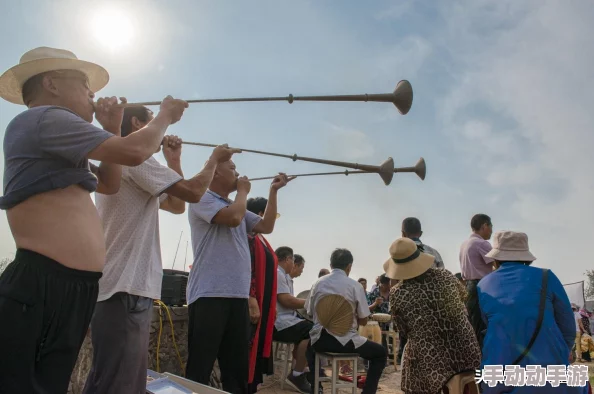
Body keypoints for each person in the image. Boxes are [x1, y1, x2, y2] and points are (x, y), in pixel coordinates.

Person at [0, 47, 187, 393]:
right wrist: (163, 117)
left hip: (70, 286)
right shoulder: (44, 119)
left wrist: (113, 127)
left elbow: (109, 184)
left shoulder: (60, 137)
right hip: (43, 281)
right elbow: (133, 152)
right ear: (51, 83)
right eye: (85, 84)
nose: (93, 93)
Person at [82, 105, 239, 394]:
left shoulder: (130, 163)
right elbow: (193, 192)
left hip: (121, 287)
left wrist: (174, 160)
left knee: (109, 378)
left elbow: (178, 205)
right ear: (137, 123)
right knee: (119, 382)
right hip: (125, 288)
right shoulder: (135, 158)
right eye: (153, 123)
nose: (161, 131)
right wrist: (213, 161)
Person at [185, 157, 291, 394]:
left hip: (237, 297)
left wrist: (273, 192)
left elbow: (266, 226)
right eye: (232, 168)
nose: (237, 173)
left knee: (236, 372)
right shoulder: (202, 198)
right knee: (199, 370)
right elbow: (233, 218)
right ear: (215, 174)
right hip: (209, 295)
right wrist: (243, 192)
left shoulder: (236, 205)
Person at [477, 231, 586, 393]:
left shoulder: (483, 285)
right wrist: (558, 354)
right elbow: (568, 328)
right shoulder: (546, 277)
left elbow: (491, 325)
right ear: (526, 257)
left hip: (500, 379)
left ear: (495, 259)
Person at [386, 237, 481, 394]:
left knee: (412, 353)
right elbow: (464, 297)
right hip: (466, 350)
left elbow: (402, 330)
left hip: (431, 361)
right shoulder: (446, 275)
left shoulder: (398, 293)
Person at [306, 248, 387, 394]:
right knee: (380, 353)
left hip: (320, 340)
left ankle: (316, 388)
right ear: (349, 266)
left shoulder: (317, 284)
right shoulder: (354, 286)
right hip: (345, 343)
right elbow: (363, 321)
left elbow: (310, 314)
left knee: (309, 346)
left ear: (331, 265)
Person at [245, 197, 278, 394]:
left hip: (263, 304)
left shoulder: (261, 239)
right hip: (253, 302)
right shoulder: (248, 236)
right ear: (258, 214)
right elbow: (247, 267)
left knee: (255, 358)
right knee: (247, 354)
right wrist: (251, 297)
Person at [273, 246, 313, 394]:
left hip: (286, 320)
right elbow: (286, 301)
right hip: (279, 324)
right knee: (312, 331)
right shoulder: (278, 274)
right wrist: (310, 302)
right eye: (292, 260)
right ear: (289, 259)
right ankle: (297, 374)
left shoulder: (282, 275)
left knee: (310, 328)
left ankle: (301, 369)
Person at [459, 213, 494, 345]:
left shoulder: (464, 244)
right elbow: (496, 265)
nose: (491, 231)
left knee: (473, 324)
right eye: (491, 226)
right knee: (484, 325)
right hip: (482, 286)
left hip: (468, 286)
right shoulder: (482, 243)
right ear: (484, 226)